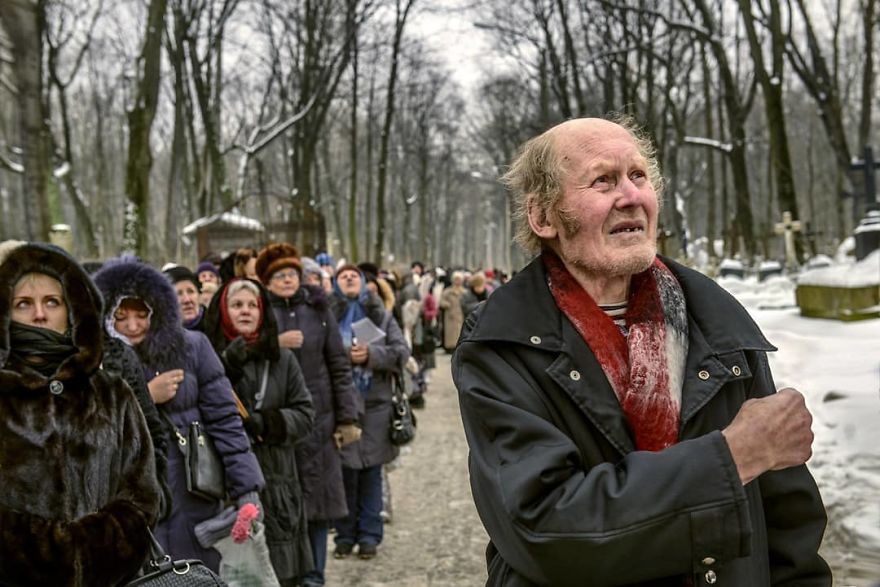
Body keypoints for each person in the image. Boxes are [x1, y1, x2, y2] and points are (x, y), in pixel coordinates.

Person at [452, 117, 831, 586]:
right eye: (603, 180)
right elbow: (546, 529)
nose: (630, 196)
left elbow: (789, 529)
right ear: (543, 217)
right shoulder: (501, 343)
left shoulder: (716, 321)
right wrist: (731, 459)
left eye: (638, 176)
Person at [0, 242, 161, 585]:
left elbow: (142, 495)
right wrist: (53, 556)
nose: (39, 314)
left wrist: (93, 554)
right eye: (23, 304)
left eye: (52, 302)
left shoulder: (112, 394)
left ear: (72, 309)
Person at [93, 256, 265, 573]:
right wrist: (146, 395)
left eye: (141, 314)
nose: (132, 326)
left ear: (157, 311)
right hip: (131, 504)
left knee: (199, 575)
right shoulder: (96, 363)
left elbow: (226, 422)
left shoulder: (194, 347)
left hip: (195, 496)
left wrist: (247, 488)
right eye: (121, 316)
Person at [256, 242, 361, 587]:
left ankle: (314, 577)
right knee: (282, 505)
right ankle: (287, 576)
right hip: (276, 423)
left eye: (292, 274)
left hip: (320, 421)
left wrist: (347, 417)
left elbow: (339, 365)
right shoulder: (259, 312)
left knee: (317, 506)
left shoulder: (319, 310)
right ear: (268, 281)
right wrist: (275, 342)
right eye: (280, 275)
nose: (287, 280)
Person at [205, 278, 316, 587]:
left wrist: (268, 423)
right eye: (237, 305)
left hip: (277, 479)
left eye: (252, 305)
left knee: (280, 574)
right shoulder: (207, 357)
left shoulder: (282, 359)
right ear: (224, 311)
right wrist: (229, 366)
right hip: (227, 485)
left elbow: (306, 414)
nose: (245, 311)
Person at [329, 265, 410, 561]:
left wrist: (371, 356)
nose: (349, 278)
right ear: (335, 284)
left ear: (364, 283)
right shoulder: (327, 318)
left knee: (372, 474)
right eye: (343, 276)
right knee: (345, 474)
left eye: (354, 275)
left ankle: (369, 536)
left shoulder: (382, 316)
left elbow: (401, 352)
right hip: (341, 407)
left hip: (375, 406)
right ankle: (344, 535)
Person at [164, 264, 207, 331]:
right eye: (178, 294)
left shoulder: (216, 329)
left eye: (191, 291)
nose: (187, 300)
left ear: (199, 295)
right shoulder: (157, 336)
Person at [439, 270, 466, 352]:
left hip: (461, 315)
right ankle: (451, 347)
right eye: (456, 279)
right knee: (451, 333)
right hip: (450, 315)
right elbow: (441, 301)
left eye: (459, 279)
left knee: (460, 331)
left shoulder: (464, 292)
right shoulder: (447, 291)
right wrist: (447, 305)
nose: (457, 281)